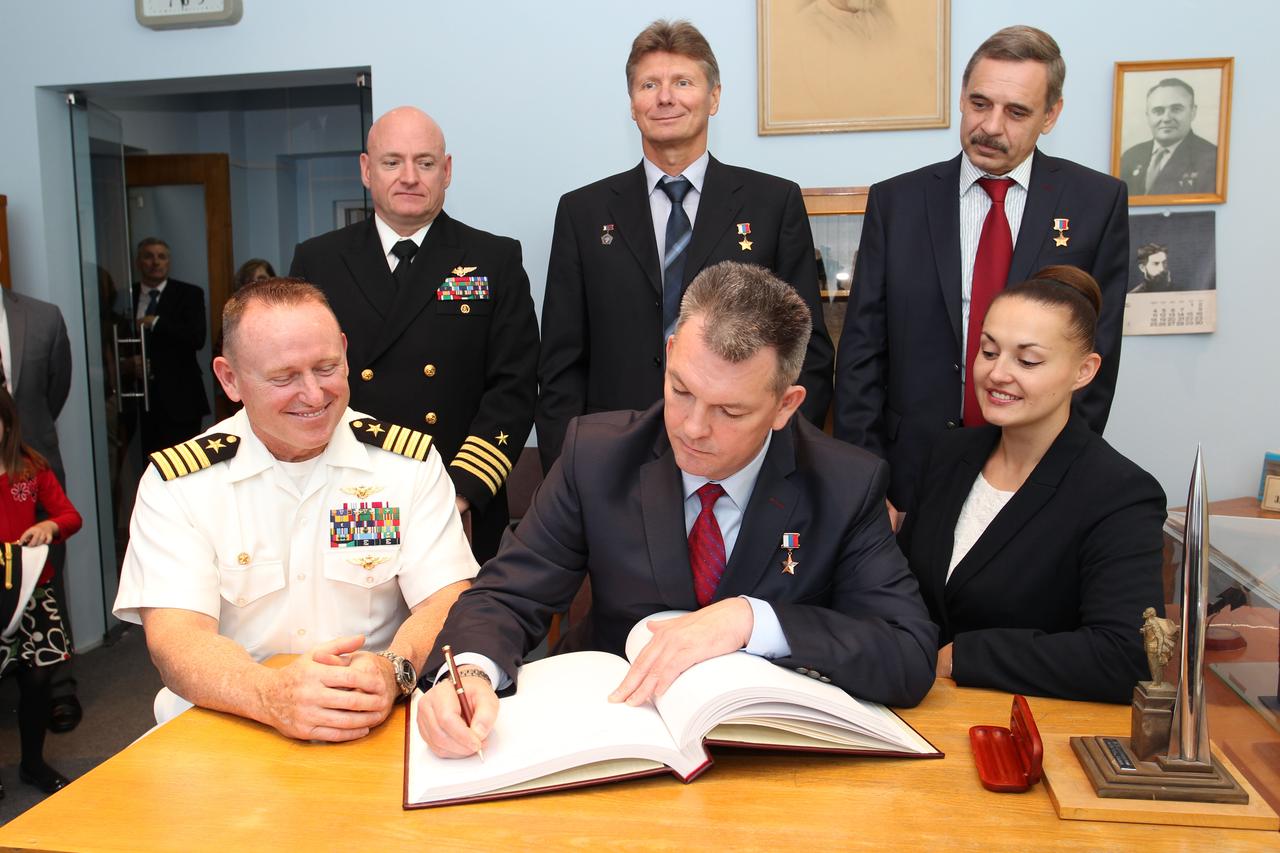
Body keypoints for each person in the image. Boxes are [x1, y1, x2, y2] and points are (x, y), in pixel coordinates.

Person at [418, 261, 937, 759]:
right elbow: (508, 595)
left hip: (770, 760)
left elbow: (907, 653)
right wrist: (468, 673)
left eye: (730, 411)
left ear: (786, 405)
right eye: (681, 390)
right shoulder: (597, 455)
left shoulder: (845, 483)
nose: (692, 428)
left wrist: (752, 620)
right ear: (669, 355)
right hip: (612, 732)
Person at [113, 279, 479, 742]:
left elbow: (445, 600)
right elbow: (176, 638)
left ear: (345, 353)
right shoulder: (179, 484)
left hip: (373, 719)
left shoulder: (406, 465)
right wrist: (271, 695)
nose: (314, 395)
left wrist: (393, 670)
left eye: (327, 367)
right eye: (284, 378)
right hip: (227, 720)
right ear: (230, 379)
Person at [834, 25, 1129, 521]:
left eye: (1016, 112)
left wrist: (1062, 474)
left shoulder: (1095, 202)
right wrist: (866, 481)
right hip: (910, 476)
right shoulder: (898, 202)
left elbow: (1098, 359)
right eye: (979, 103)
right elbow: (862, 353)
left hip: (1036, 473)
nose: (991, 126)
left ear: (1051, 115)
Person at [536, 19, 834, 473]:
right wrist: (566, 471)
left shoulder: (773, 203)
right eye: (649, 84)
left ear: (713, 97)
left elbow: (807, 351)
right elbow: (561, 365)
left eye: (683, 82)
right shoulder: (583, 212)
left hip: (740, 457)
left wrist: (776, 453)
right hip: (616, 458)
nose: (665, 97)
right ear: (633, 105)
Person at [897, 266, 1165, 704]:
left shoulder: (1119, 493)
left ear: (1084, 370)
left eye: (1028, 361)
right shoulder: (949, 454)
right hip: (917, 707)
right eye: (988, 351)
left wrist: (963, 656)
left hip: (1025, 727)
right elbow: (901, 582)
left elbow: (1125, 655)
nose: (998, 374)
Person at [290, 107, 538, 563]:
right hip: (355, 492)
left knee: (462, 628)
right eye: (392, 162)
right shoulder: (318, 262)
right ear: (366, 170)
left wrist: (461, 492)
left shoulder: (493, 258)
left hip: (459, 495)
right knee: (366, 623)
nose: (409, 177)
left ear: (446, 172)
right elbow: (303, 385)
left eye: (424, 163)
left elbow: (515, 387)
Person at [0, 251, 80, 732]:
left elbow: (55, 390)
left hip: (25, 460)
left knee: (46, 583)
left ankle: (56, 687)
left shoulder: (42, 316)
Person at [0, 387, 81, 794]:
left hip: (33, 589)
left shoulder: (30, 468)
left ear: (8, 424)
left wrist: (49, 527)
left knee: (38, 679)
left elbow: (69, 516)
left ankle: (33, 762)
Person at [132, 237, 211, 455]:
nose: (155, 262)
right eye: (148, 256)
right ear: (138, 262)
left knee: (184, 465)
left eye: (161, 257)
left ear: (169, 262)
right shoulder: (126, 296)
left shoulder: (189, 294)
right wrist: (128, 364)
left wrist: (155, 322)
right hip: (137, 400)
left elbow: (197, 338)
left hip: (180, 398)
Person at [1119, 78, 1217, 197]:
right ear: (1148, 115)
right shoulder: (1130, 157)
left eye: (1176, 109)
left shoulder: (1212, 159)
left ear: (1193, 112)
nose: (1166, 118)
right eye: (1158, 111)